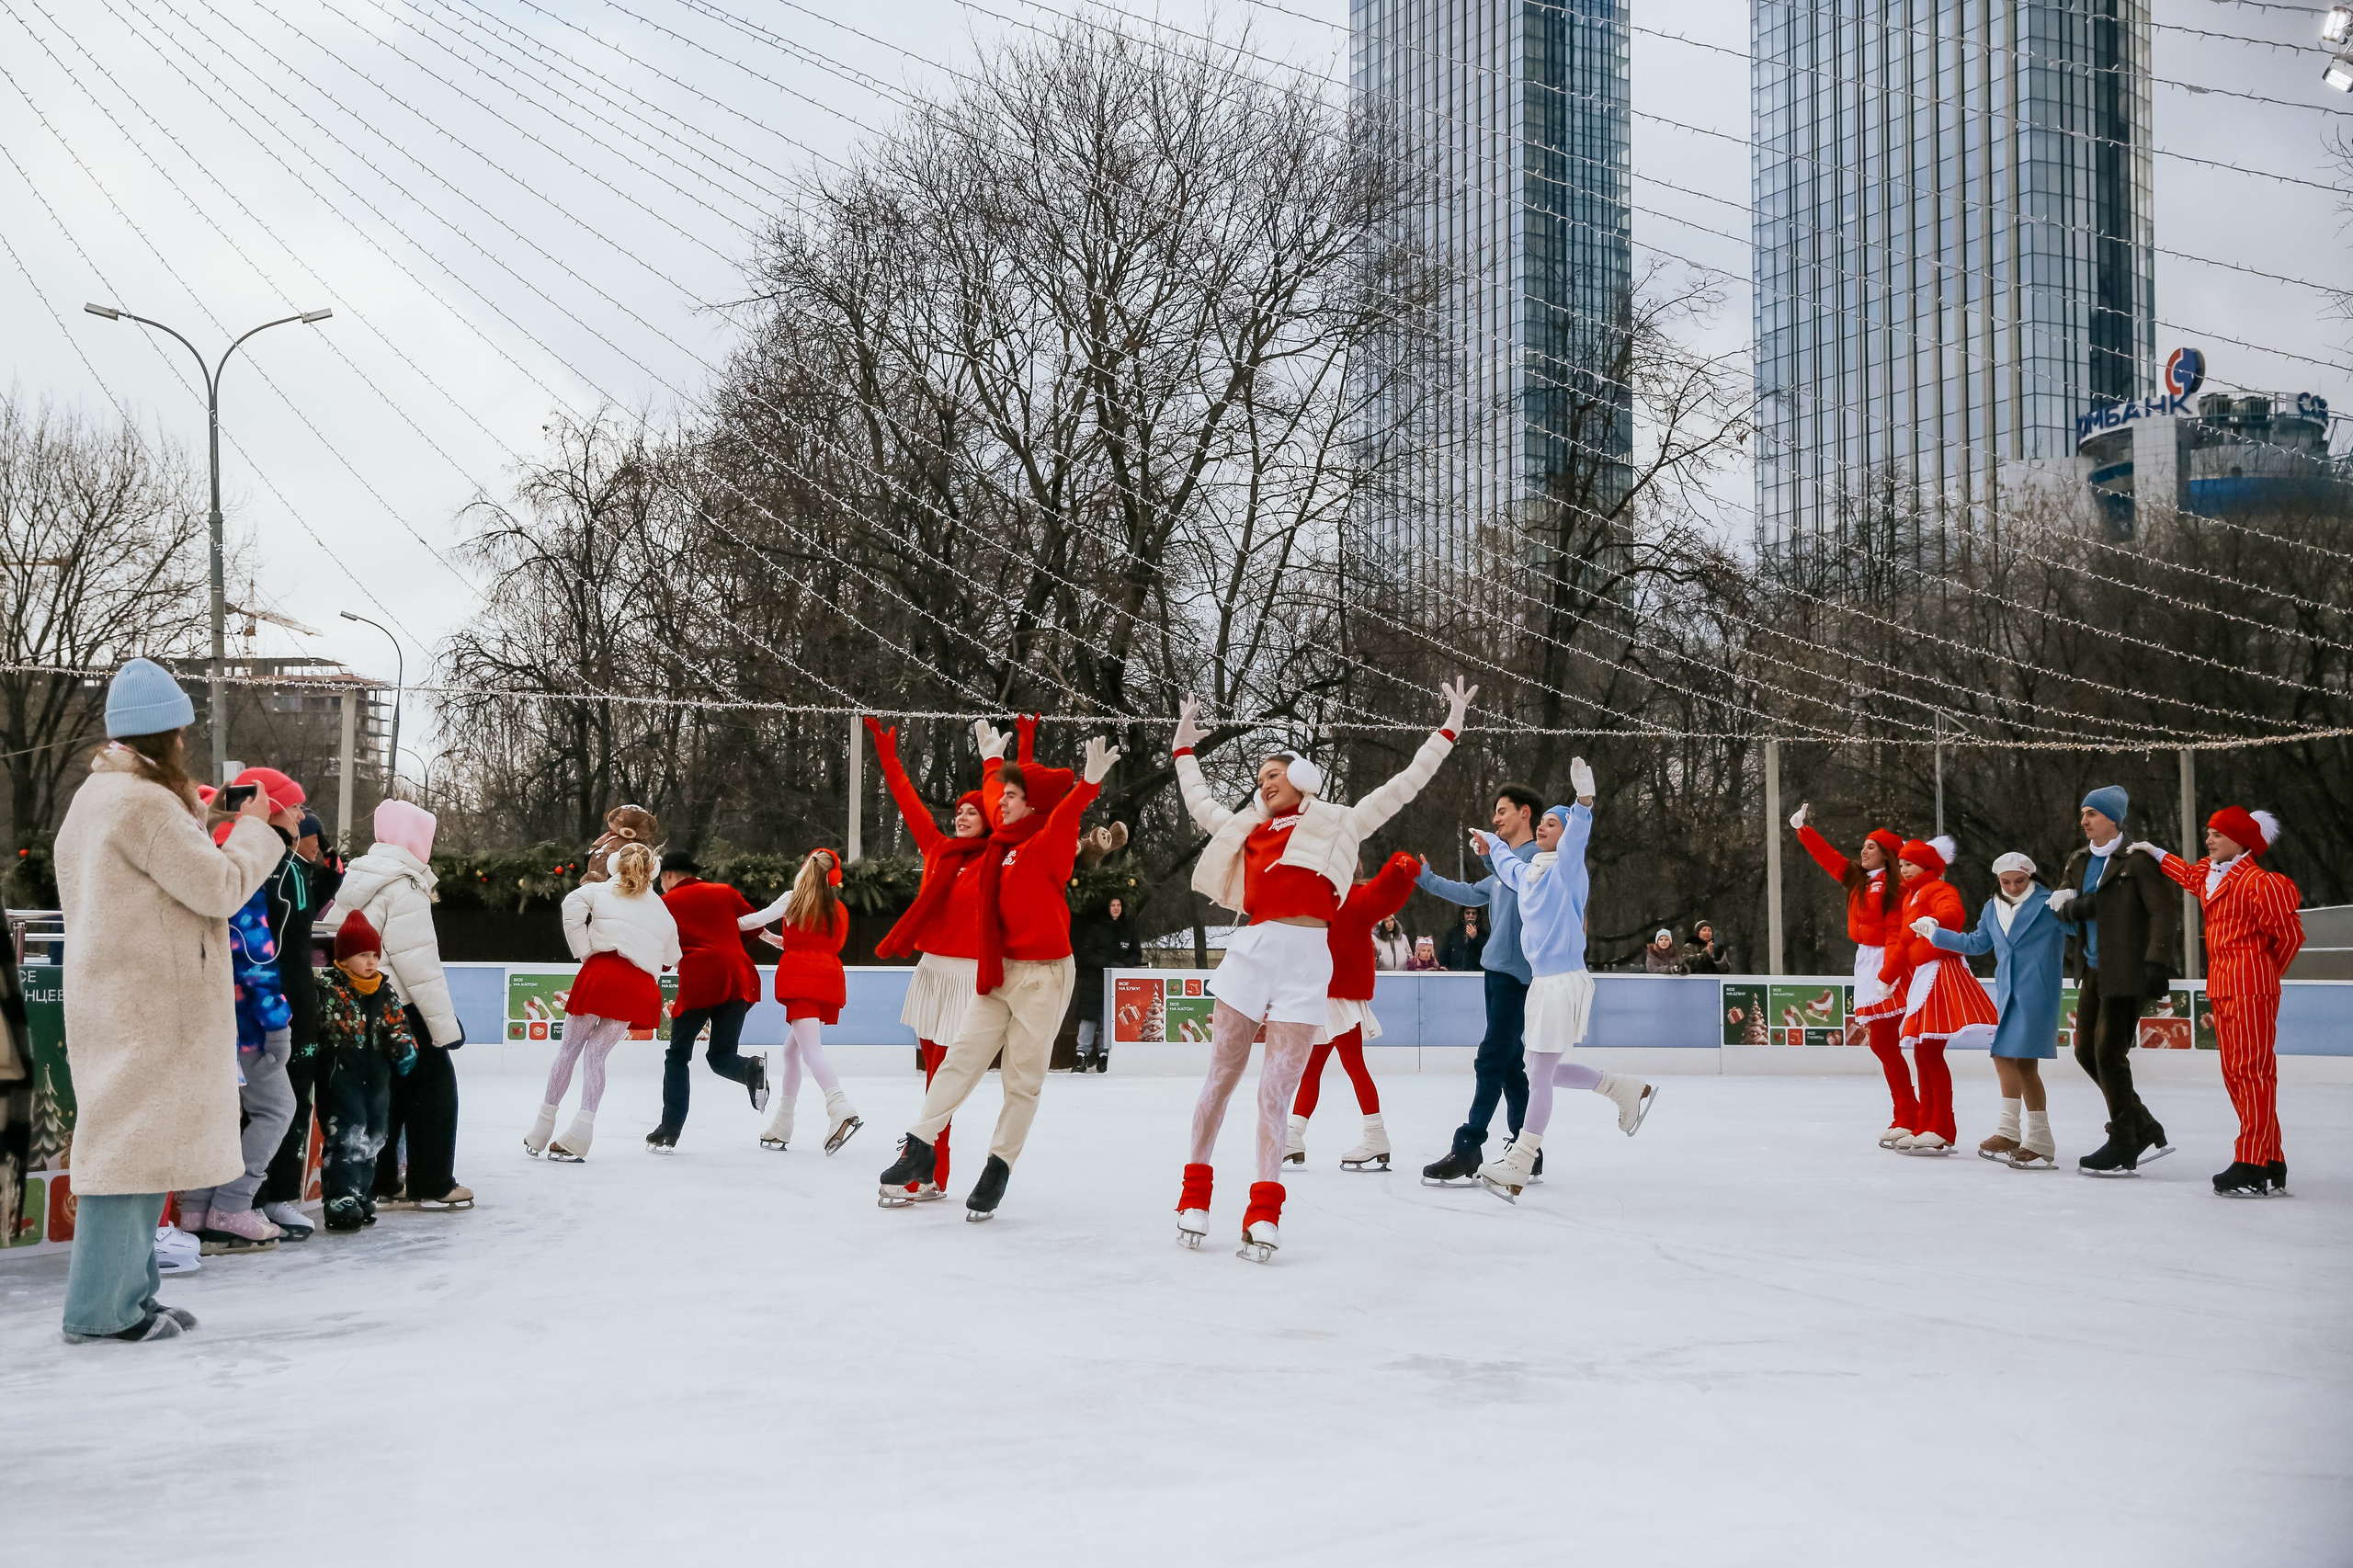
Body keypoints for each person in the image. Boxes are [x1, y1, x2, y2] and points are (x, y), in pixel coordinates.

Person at [1167, 680, 1471, 1262]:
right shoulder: (1250, 828)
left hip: (1308, 964)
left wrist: (1448, 728)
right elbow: (1201, 804)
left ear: (1302, 776)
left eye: (1272, 774)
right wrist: (1183, 749)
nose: (1264, 782)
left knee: (1275, 1095)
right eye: (1259, 779)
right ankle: (1195, 1195)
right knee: (1220, 1081)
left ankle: (1263, 1212)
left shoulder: (1341, 823)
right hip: (1252, 953)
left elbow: (1404, 786)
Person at [52, 659, 280, 1342]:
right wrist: (253, 831)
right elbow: (216, 888)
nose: (186, 740)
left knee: (137, 1152)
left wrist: (199, 816)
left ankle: (132, 1297)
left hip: (117, 993)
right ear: (165, 734)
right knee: (127, 1157)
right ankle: (102, 1312)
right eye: (180, 730)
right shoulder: (143, 804)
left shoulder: (98, 799)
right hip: (149, 1002)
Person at [878, 717, 1120, 1221]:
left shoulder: (1047, 842)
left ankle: (999, 1166)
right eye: (1002, 796)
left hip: (1046, 976)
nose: (1000, 803)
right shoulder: (1000, 842)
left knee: (1022, 1077)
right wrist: (992, 756)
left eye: (1011, 796)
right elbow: (991, 794)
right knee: (960, 1059)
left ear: (1032, 805)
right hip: (1000, 969)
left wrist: (1089, 784)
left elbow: (1066, 811)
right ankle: (920, 1146)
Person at [1469, 766, 1656, 1199]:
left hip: (1563, 980)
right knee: (1539, 1069)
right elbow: (1506, 864)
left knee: (1538, 1075)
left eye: (1552, 823)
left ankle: (1519, 1161)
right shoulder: (1531, 873)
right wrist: (1491, 843)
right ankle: (1623, 1089)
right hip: (1543, 984)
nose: (1543, 828)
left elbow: (1576, 838)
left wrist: (1584, 801)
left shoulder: (1568, 869)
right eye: (1542, 824)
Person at [2131, 807, 2304, 1197]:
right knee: (2236, 1074)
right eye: (2208, 833)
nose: (2208, 840)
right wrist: (2157, 853)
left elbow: (2289, 938)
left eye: (2217, 835)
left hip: (2251, 988)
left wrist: (2261, 972)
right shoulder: (2213, 876)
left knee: (2252, 1074)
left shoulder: (2262, 883)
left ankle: (2253, 1160)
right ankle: (2270, 1157)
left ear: (2242, 841)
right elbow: (2192, 876)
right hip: (2223, 988)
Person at [868, 716, 1002, 1202]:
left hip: (969, 978)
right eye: (959, 811)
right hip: (931, 972)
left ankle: (922, 1166)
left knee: (944, 1081)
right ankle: (928, 1173)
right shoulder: (939, 850)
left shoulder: (998, 858)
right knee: (932, 1078)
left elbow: (1014, 812)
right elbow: (907, 801)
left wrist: (1003, 758)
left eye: (972, 811)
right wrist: (888, 758)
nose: (962, 816)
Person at [175, 770, 304, 1255]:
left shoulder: (212, 849)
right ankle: (232, 1204)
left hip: (207, 1016)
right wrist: (277, 1026)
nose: (298, 815)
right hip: (244, 1023)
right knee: (276, 1109)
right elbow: (254, 953)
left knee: (220, 1113)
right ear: (267, 808)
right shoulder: (243, 861)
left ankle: (195, 1210)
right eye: (291, 805)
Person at [322, 799, 473, 1210]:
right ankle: (433, 1182)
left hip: (360, 1000)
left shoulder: (359, 876)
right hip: (399, 1004)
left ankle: (384, 1181)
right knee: (435, 1086)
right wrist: (444, 1029)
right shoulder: (404, 885)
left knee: (387, 1091)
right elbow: (418, 965)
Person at [2046, 786, 2178, 1176]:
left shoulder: (2136, 860)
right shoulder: (2080, 859)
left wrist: (2156, 963)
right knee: (2086, 1051)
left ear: (2113, 820)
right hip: (2092, 969)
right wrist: (2068, 907)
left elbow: (2164, 912)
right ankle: (2143, 1125)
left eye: (2091, 814)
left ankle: (2123, 1138)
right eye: (2083, 813)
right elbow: (2062, 908)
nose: (2084, 820)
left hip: (2129, 970)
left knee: (2107, 1051)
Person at [1415, 778, 1541, 1187]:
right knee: (1509, 1065)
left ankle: (1469, 1146)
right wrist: (1426, 878)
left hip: (1516, 976)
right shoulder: (1506, 865)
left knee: (1492, 1059)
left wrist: (1494, 854)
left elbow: (1516, 878)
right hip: (1497, 972)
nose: (1495, 819)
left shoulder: (1536, 860)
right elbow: (1472, 893)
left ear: (1525, 813)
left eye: (1502, 811)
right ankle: (1529, 1151)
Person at [527, 842, 679, 1162]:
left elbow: (570, 907)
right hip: (638, 986)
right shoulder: (664, 911)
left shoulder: (596, 891)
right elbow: (671, 959)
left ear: (613, 865)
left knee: (568, 1051)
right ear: (653, 872)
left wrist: (585, 950)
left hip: (601, 976)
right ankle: (580, 1135)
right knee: (596, 1058)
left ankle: (542, 1127)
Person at [1924, 852, 2065, 1168]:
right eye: (2006, 882)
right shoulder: (1992, 908)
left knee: (2003, 1054)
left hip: (2038, 991)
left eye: (2020, 881)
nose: (2013, 887)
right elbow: (1976, 944)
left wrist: (2073, 904)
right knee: (2026, 1066)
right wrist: (1935, 934)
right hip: (2008, 991)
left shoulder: (2048, 904)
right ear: (1998, 880)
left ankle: (2008, 1131)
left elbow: (2078, 929)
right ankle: (2040, 1138)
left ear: (2030, 877)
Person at [1287, 852, 1421, 1171]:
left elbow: (1384, 896)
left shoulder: (1354, 898)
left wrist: (1402, 868)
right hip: (1324, 994)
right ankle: (1293, 1135)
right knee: (1313, 1068)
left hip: (1339, 995)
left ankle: (1374, 1134)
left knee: (1352, 1065)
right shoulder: (1321, 898)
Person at [1790, 804, 1915, 1147]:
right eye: (1864, 845)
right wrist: (1804, 830)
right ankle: (1907, 1112)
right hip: (1866, 961)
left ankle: (1909, 1113)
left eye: (1871, 846)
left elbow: (1894, 933)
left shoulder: (1895, 887)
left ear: (1888, 855)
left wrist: (1889, 973)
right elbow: (1829, 859)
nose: (1863, 850)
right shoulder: (1860, 879)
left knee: (1884, 1042)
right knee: (1883, 1043)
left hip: (1886, 964)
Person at [256, 804, 343, 1235]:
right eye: (314, 833)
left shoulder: (298, 872)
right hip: (278, 998)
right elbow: (277, 935)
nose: (319, 843)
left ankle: (276, 1196)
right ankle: (255, 1198)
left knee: (293, 1101)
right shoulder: (281, 869)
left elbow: (305, 922)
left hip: (297, 997)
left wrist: (330, 874)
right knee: (271, 1105)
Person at [1878, 835, 1994, 1155]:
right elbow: (1902, 944)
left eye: (1909, 864)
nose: (1904, 869)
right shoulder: (1910, 898)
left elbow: (1954, 914)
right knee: (1922, 1053)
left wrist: (1935, 922)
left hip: (1943, 971)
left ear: (1928, 865)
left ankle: (1940, 1126)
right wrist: (1886, 977)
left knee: (1929, 1053)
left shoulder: (1940, 889)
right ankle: (1925, 1124)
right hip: (1923, 974)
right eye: (1900, 864)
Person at [646, 851, 769, 1151]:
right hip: (740, 976)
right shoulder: (724, 891)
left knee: (678, 1056)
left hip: (701, 979)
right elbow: (752, 926)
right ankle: (750, 1068)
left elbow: (662, 953)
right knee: (721, 1056)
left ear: (668, 876)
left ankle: (670, 1128)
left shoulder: (665, 904)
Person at [748, 848, 861, 1154]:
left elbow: (754, 920)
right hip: (829, 980)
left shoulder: (792, 899)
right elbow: (823, 944)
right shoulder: (838, 909)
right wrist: (775, 940)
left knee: (811, 1052)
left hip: (802, 980)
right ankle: (782, 1125)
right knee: (790, 1051)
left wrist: (726, 922)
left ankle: (840, 1107)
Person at [314, 911, 417, 1230]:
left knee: (375, 1135)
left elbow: (398, 1025)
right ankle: (340, 1197)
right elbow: (314, 1023)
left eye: (375, 954)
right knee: (346, 1134)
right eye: (362, 955)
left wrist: (404, 1048)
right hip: (341, 1071)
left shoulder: (384, 990)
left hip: (377, 1076)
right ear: (344, 958)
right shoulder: (328, 987)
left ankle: (362, 1193)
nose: (371, 962)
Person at [1072, 894, 1142, 1073]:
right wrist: (1106, 963)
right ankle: (1082, 1055)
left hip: (1118, 983)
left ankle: (1104, 1055)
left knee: (1109, 1019)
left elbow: (1136, 954)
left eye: (1119, 905)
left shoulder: (1128, 929)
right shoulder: (1096, 929)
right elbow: (1086, 954)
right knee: (1088, 1018)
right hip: (1094, 981)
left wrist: (1125, 965)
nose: (1116, 908)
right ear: (1107, 908)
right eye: (1113, 905)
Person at [1438, 907, 1486, 972]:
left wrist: (1476, 937)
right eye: (1468, 913)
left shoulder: (1484, 933)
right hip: (1455, 972)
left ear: (1478, 916)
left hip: (1475, 973)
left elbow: (1486, 952)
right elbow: (1444, 951)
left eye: (1474, 913)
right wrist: (1444, 965)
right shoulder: (1453, 932)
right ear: (1463, 915)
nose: (1471, 915)